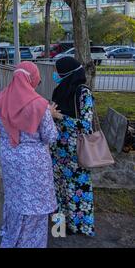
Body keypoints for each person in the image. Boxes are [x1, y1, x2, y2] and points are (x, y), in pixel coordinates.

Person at [0, 61, 58, 248]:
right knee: (34, 204)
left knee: (14, 198)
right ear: (33, 78)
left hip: (9, 157)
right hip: (33, 163)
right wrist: (51, 116)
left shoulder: (2, 97)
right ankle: (29, 243)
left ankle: (11, 234)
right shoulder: (40, 105)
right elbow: (50, 136)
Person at [50, 57, 95, 236]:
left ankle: (79, 227)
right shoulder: (59, 90)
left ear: (69, 73)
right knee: (58, 189)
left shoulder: (83, 93)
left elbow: (86, 125)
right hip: (58, 149)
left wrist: (60, 117)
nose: (57, 75)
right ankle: (59, 227)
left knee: (77, 189)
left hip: (77, 151)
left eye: (60, 72)